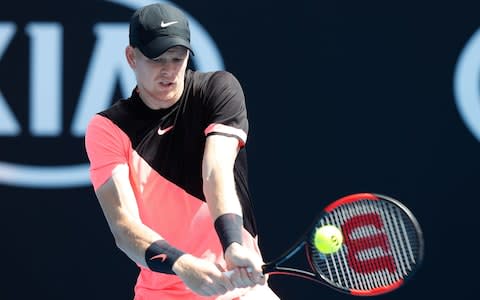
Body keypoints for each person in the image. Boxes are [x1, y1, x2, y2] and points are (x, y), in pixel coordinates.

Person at [84, 3, 280, 300]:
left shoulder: (217, 90)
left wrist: (232, 246)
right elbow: (124, 227)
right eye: (157, 59)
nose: (170, 70)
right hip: (162, 293)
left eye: (178, 58)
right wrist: (183, 265)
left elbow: (216, 172)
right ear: (131, 57)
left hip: (241, 288)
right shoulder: (109, 128)